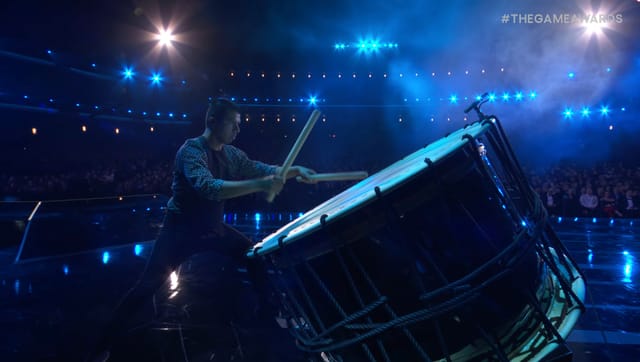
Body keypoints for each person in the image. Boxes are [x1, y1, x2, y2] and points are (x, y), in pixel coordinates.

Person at [91, 98, 316, 361]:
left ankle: (269, 315)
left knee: (255, 257)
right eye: (233, 124)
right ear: (212, 121)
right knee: (146, 287)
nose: (237, 130)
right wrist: (262, 184)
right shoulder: (191, 152)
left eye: (238, 125)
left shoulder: (232, 154)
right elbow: (210, 188)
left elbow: (263, 169)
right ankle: (101, 347)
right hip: (179, 234)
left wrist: (295, 170)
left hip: (213, 228)